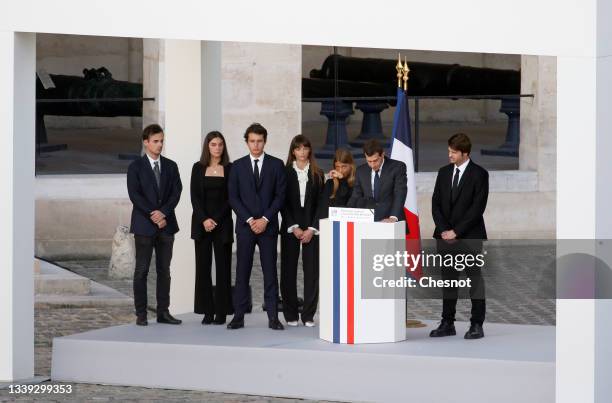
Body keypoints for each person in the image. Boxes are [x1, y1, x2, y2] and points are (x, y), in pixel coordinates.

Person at [227, 123, 287, 330]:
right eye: (252, 141)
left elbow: (280, 196)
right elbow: (233, 198)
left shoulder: (277, 165)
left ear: (265, 141)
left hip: (268, 228)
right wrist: (251, 220)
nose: (256, 145)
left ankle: (273, 317)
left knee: (270, 272)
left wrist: (265, 219)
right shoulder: (237, 166)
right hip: (245, 227)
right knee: (242, 272)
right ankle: (238, 316)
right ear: (246, 142)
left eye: (259, 141)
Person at [429, 133, 489, 340]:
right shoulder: (443, 172)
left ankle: (476, 324)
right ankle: (447, 323)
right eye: (449, 151)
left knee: (474, 280)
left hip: (469, 236)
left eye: (453, 152)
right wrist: (445, 230)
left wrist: (457, 231)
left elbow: (477, 208)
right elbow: (435, 203)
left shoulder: (480, 174)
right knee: (448, 281)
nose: (450, 155)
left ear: (465, 153)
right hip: (444, 236)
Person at [127, 123, 183, 326]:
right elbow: (135, 195)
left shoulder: (171, 166)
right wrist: (153, 214)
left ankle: (163, 312)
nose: (160, 145)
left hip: (166, 225)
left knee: (164, 271)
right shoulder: (135, 167)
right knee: (142, 270)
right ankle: (141, 313)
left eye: (162, 141)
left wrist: (163, 213)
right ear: (146, 142)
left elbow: (176, 192)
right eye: (156, 141)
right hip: (144, 225)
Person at [280, 135, 324, 327]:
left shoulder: (317, 173)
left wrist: (312, 228)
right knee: (288, 270)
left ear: (309, 151)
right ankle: (290, 313)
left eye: (305, 148)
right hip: (291, 227)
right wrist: (293, 226)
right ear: (293, 152)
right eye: (298, 149)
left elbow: (322, 204)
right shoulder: (284, 173)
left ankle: (308, 315)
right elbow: (281, 201)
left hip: (312, 228)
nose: (302, 152)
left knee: (312, 271)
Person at [190, 131, 233, 325]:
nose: (217, 148)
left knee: (223, 269)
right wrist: (204, 219)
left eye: (220, 144)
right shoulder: (198, 168)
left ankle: (222, 312)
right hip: (202, 225)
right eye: (214, 144)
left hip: (222, 224)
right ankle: (207, 311)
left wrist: (214, 219)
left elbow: (231, 198)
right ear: (207, 146)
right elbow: (194, 198)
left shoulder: (230, 169)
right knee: (203, 268)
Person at [347, 139, 407, 222]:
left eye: (375, 161)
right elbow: (356, 196)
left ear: (382, 154)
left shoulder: (397, 167)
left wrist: (393, 217)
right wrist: (345, 214)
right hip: (367, 221)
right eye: (369, 161)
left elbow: (400, 193)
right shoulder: (361, 171)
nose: (372, 165)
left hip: (391, 219)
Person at [317, 148, 356, 220]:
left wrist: (342, 180)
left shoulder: (357, 183)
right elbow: (323, 209)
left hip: (350, 225)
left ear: (351, 166)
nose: (340, 170)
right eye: (337, 167)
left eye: (344, 166)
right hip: (330, 225)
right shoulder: (330, 183)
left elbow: (345, 202)